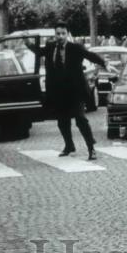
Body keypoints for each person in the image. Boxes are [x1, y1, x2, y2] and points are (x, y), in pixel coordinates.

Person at [41, 23, 106, 160]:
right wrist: (28, 43)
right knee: (62, 121)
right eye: (58, 33)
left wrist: (104, 63)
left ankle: (91, 148)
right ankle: (69, 145)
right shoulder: (51, 47)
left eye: (63, 33)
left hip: (75, 91)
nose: (60, 36)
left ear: (68, 34)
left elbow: (90, 55)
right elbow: (39, 52)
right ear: (55, 34)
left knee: (80, 119)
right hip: (60, 92)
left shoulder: (75, 48)